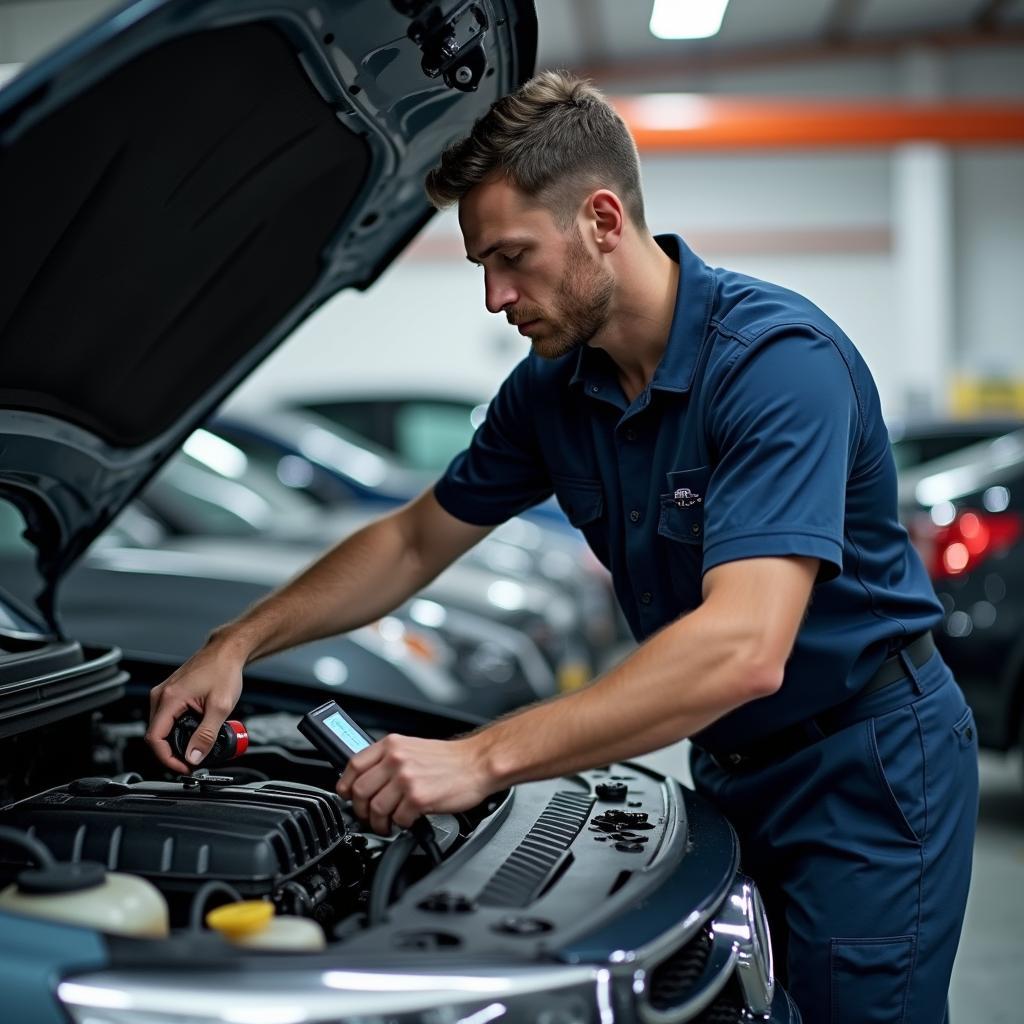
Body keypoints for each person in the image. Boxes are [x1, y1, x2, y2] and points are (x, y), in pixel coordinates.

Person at [147, 71, 978, 1021]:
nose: (497, 297)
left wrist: (482, 757)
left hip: (867, 765)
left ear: (602, 219)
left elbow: (745, 647)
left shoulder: (778, 364)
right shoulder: (555, 386)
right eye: (480, 268)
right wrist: (238, 642)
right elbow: (414, 539)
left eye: (512, 257)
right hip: (730, 763)